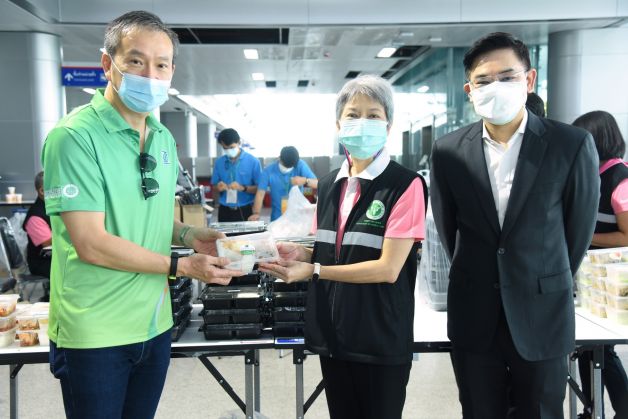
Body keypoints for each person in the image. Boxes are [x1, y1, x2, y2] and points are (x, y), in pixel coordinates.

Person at [41, 11, 241, 419]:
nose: (150, 75)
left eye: (161, 65)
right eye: (136, 61)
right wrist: (181, 265)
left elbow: (150, 219)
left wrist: (189, 236)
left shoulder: (163, 138)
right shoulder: (75, 137)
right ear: (107, 64)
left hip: (153, 323)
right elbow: (91, 243)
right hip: (95, 331)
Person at [430, 32, 600, 419]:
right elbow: (448, 229)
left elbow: (577, 233)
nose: (496, 87)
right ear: (469, 90)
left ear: (530, 79)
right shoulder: (448, 151)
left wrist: (541, 274)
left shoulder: (570, 145)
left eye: (507, 76)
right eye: (484, 80)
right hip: (474, 313)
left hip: (542, 312)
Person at [259, 75, 427, 419]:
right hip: (334, 336)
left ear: (388, 125)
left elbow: (388, 268)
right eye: (352, 114)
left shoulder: (405, 185)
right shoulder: (328, 185)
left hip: (379, 338)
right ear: (338, 125)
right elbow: (334, 252)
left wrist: (314, 269)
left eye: (373, 115)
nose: (362, 122)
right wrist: (303, 254)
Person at [572, 110, 628, 419]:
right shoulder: (594, 174)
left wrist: (584, 235)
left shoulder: (620, 178)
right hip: (593, 279)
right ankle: (592, 409)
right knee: (589, 348)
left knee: (602, 349)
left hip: (613, 282)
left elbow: (626, 236)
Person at [248, 146, 317, 222]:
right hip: (278, 218)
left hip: (298, 217)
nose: (288, 169)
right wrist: (256, 213)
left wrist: (305, 181)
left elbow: (317, 184)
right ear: (279, 158)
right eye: (285, 166)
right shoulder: (268, 171)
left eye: (291, 167)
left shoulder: (300, 164)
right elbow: (260, 193)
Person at [211, 128, 261, 222]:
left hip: (246, 209)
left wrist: (243, 188)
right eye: (225, 148)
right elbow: (214, 186)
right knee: (223, 232)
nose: (229, 150)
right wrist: (218, 187)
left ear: (239, 142)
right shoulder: (219, 162)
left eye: (231, 147)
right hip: (224, 210)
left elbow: (260, 189)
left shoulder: (253, 162)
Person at [22, 171, 51, 301]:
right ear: (42, 191)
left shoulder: (51, 208)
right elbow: (48, 243)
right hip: (41, 262)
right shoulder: (35, 216)